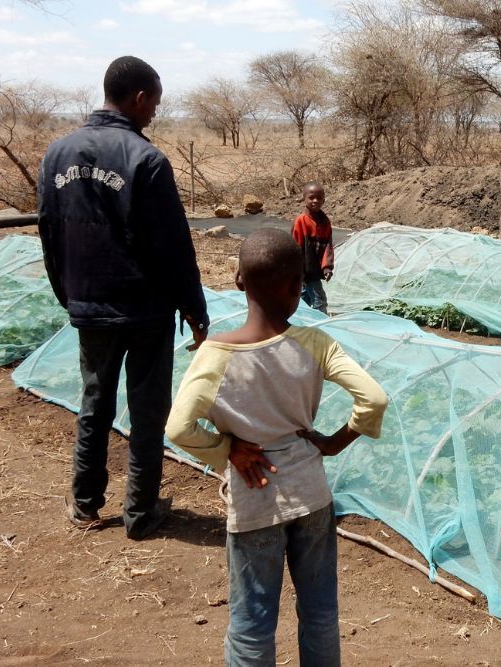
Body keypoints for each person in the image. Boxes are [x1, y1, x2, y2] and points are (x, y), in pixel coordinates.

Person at [165, 228, 388, 666]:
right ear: (295, 287)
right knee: (320, 614)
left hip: (256, 499)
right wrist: (336, 442)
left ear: (238, 280)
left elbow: (178, 428)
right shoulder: (315, 344)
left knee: (253, 625)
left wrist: (226, 448)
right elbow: (374, 398)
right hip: (311, 495)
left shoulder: (215, 353)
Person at [37, 55, 209, 540]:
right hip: (146, 310)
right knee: (148, 408)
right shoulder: (146, 160)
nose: (154, 110)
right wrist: (195, 309)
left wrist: (68, 294)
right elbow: (173, 246)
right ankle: (140, 512)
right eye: (154, 101)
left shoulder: (56, 154)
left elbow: (49, 232)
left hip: (90, 306)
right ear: (138, 98)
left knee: (95, 401)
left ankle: (86, 504)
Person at [291, 181, 334, 313]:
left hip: (315, 270)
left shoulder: (325, 222)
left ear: (324, 200)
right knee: (319, 300)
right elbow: (295, 247)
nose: (315, 201)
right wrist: (298, 271)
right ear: (304, 199)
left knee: (303, 300)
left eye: (319, 198)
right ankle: (321, 326)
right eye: (311, 197)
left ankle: (300, 322)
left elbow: (328, 246)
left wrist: (327, 267)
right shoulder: (301, 221)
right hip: (304, 270)